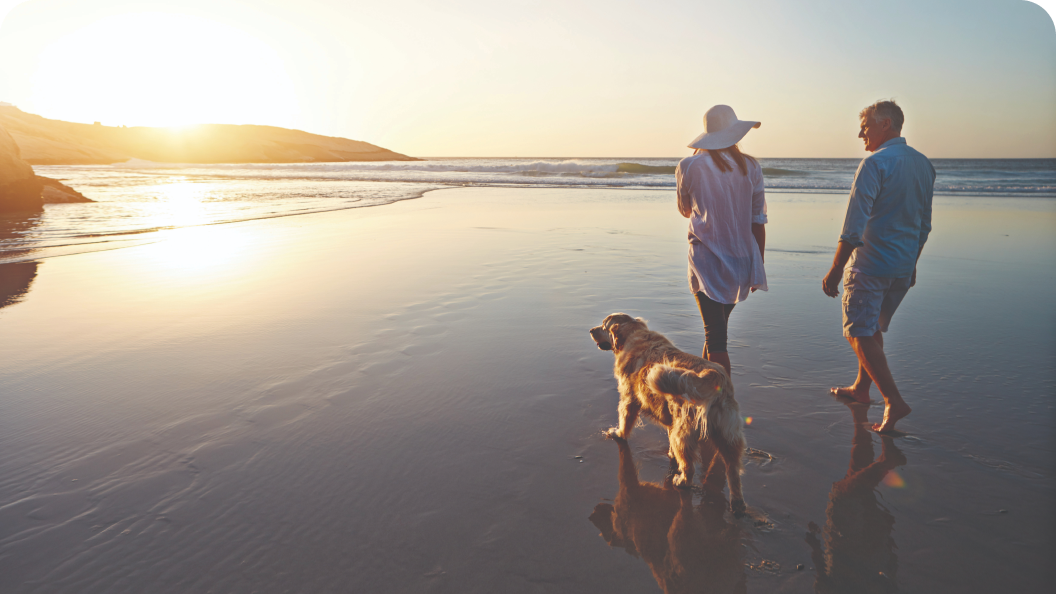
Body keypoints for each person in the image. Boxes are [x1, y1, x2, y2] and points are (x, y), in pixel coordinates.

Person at [822, 100, 935, 433]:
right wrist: (912, 265)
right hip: (901, 266)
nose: (861, 134)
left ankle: (893, 401)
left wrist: (835, 268)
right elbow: (924, 224)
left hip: (871, 266)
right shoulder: (924, 165)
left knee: (858, 332)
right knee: (870, 329)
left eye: (866, 126)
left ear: (886, 124)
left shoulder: (874, 164)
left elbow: (854, 226)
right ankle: (861, 388)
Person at [676, 105, 767, 377]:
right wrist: (757, 265)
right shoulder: (750, 166)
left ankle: (723, 407)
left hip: (707, 261)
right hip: (741, 260)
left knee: (716, 340)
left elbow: (684, 211)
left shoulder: (689, 165)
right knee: (715, 333)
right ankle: (705, 401)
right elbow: (757, 220)